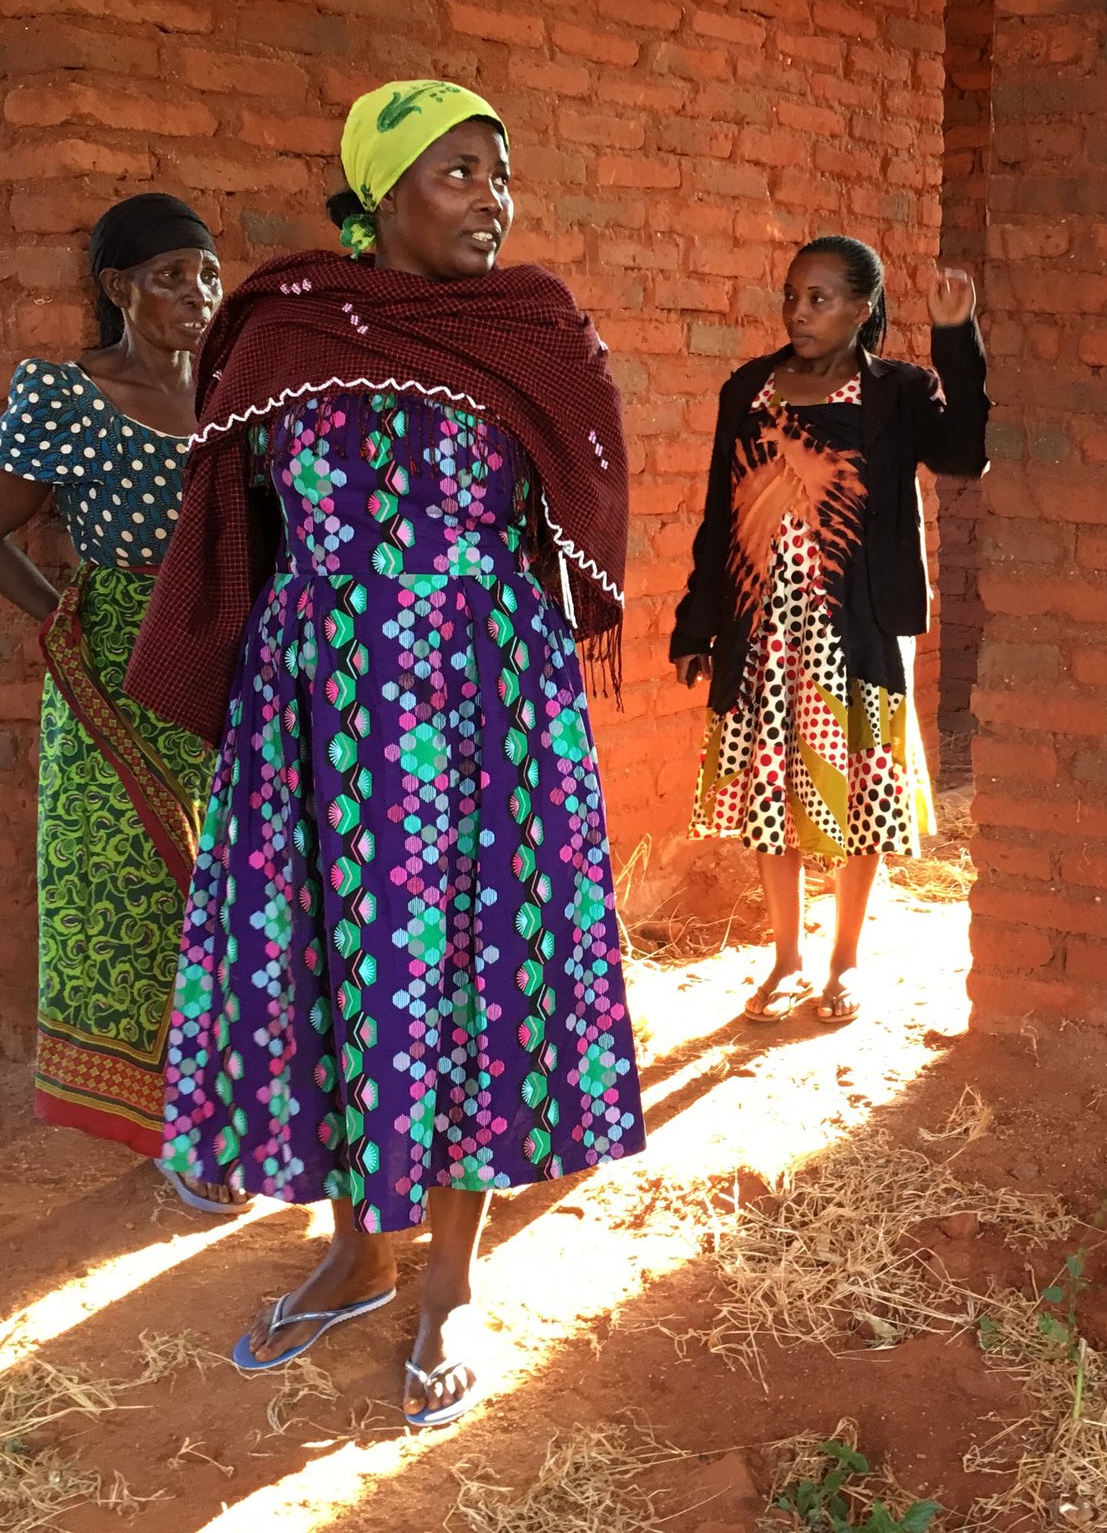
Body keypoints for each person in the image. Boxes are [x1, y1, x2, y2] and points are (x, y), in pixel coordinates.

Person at [125, 79, 642, 1430]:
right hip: (319, 707)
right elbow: (230, 519)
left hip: (485, 703)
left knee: (467, 970)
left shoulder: (532, 330)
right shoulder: (286, 328)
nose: (493, 198)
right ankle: (357, 1249)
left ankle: (450, 1282)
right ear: (384, 191)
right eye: (461, 172)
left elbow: (585, 485)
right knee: (341, 965)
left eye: (500, 172)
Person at [0, 192, 242, 1214]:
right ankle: (177, 1132)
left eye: (207, 275)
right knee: (142, 900)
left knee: (232, 900)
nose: (196, 296)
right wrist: (63, 625)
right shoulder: (67, 396)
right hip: (114, 674)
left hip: (229, 670)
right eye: (170, 277)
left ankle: (234, 1103)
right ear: (117, 289)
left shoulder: (233, 392)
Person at [671, 236, 988, 1027]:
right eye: (791, 296)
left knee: (862, 793)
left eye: (819, 298)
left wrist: (956, 338)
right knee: (768, 793)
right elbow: (719, 517)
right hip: (764, 625)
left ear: (861, 307)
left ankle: (844, 958)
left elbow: (966, 454)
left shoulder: (898, 392)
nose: (799, 311)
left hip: (858, 623)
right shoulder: (748, 388)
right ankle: (785, 956)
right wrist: (695, 625)